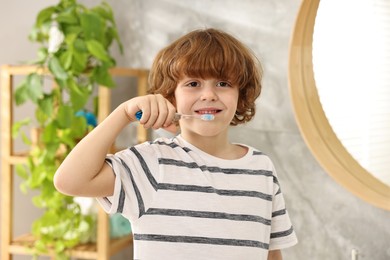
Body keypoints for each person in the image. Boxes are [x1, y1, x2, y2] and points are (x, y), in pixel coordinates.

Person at [54, 28, 298, 260]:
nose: (209, 94)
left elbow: (271, 252)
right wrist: (123, 114)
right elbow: (69, 181)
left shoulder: (261, 168)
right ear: (170, 96)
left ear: (241, 94)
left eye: (223, 83)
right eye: (193, 83)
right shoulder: (151, 164)